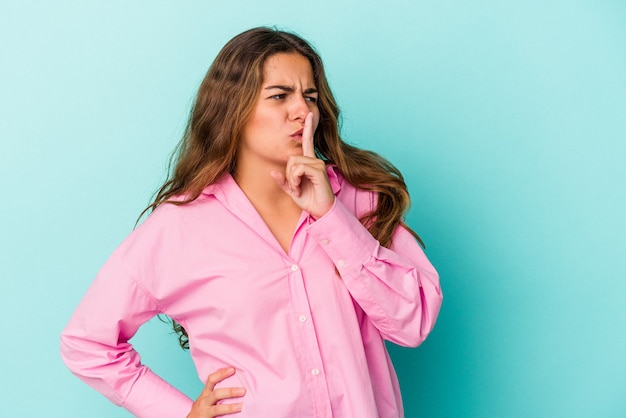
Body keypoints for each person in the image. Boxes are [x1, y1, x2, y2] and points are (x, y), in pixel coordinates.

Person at [60, 26, 443, 418]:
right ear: (234, 108)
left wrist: (332, 218)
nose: (303, 111)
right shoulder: (180, 225)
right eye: (280, 96)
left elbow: (412, 323)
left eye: (309, 96)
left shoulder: (358, 200)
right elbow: (86, 343)